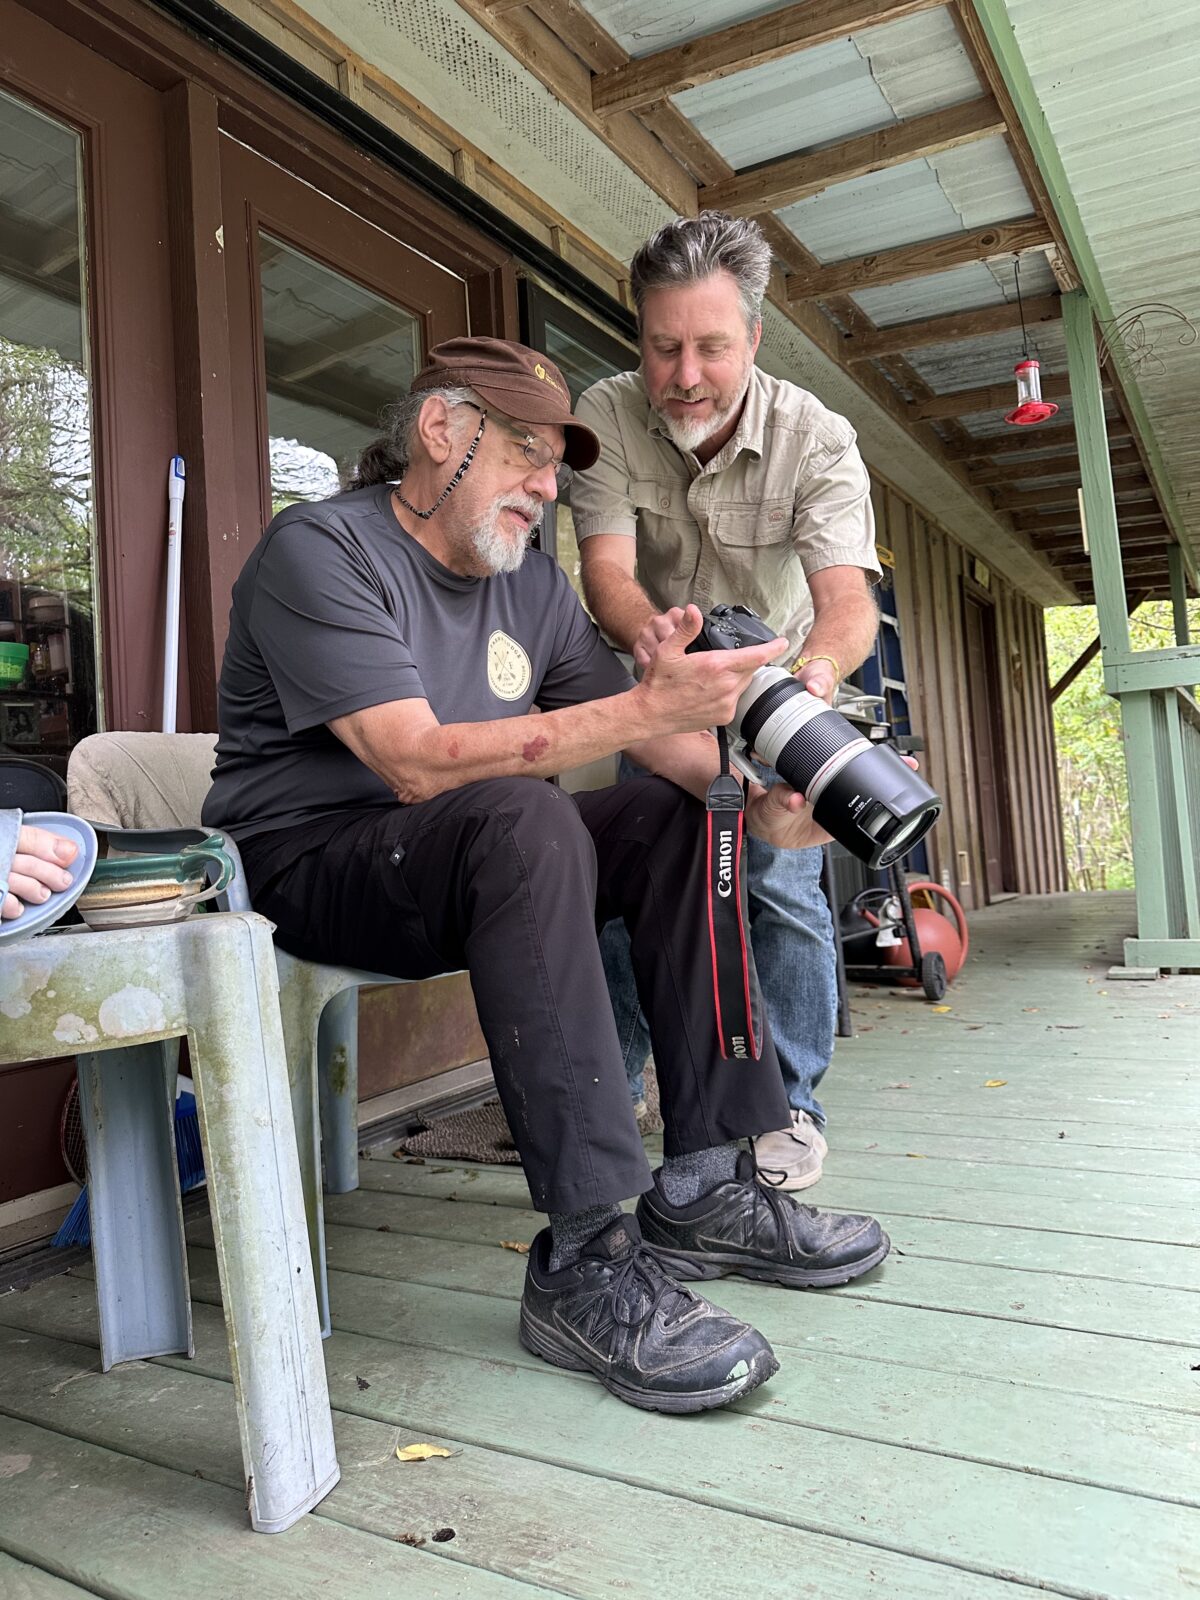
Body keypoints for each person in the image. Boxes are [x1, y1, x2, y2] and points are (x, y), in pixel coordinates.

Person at [201, 336, 889, 1416]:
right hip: (311, 860)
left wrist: (762, 809)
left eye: (555, 464)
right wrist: (640, 707)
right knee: (525, 816)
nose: (544, 486)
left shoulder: (529, 584)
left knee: (677, 812)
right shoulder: (319, 549)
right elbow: (413, 760)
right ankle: (585, 1257)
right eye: (524, 451)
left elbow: (660, 747)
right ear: (441, 430)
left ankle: (709, 1178)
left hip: (462, 855)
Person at [572, 213, 883, 1191]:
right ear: (640, 340)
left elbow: (846, 606)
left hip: (779, 690)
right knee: (628, 891)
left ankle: (788, 1111)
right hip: (657, 684)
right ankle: (612, 1095)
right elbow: (607, 573)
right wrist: (653, 639)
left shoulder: (818, 437)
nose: (686, 373)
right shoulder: (609, 414)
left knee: (778, 889)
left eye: (711, 346)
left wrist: (816, 684)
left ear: (752, 337)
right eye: (664, 347)